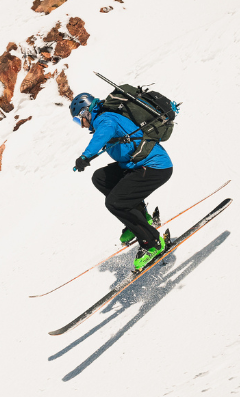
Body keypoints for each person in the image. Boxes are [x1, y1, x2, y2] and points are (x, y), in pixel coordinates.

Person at [69, 90, 172, 272]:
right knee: (100, 178)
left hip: (155, 167)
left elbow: (102, 134)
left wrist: (86, 156)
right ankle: (140, 219)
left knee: (116, 203)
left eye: (79, 120)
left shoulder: (105, 119)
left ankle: (152, 243)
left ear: (86, 112)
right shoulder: (106, 118)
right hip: (137, 166)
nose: (82, 125)